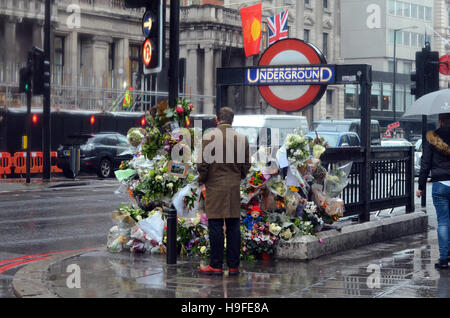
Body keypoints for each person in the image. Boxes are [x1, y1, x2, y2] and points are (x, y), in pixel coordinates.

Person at [197, 107, 251, 275]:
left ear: (217, 119)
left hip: (214, 187)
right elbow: (246, 165)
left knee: (216, 225)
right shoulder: (242, 139)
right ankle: (234, 266)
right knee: (234, 225)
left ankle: (216, 265)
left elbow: (202, 165)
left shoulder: (208, 138)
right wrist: (238, 176)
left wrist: (203, 179)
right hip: (233, 187)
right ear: (232, 121)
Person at [417, 112, 450, 269]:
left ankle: (444, 258)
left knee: (443, 221)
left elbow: (425, 163)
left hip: (440, 184)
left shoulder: (432, 138)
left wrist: (421, 186)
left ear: (440, 121)